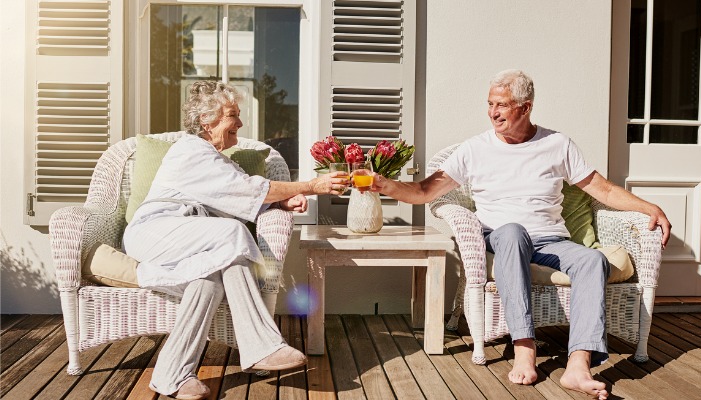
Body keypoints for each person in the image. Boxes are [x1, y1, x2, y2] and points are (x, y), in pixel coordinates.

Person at [370, 69, 671, 400]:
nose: (493, 112)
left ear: (525, 108)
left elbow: (602, 189)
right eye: (490, 103)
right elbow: (425, 190)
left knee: (592, 260)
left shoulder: (557, 144)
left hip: (551, 242)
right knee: (513, 232)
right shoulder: (475, 149)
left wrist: (649, 208)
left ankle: (578, 366)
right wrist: (385, 186)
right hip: (502, 239)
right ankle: (524, 348)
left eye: (502, 105)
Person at [123, 81, 348, 400]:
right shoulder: (192, 151)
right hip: (154, 232)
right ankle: (261, 345)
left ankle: (171, 373)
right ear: (207, 120)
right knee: (232, 233)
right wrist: (310, 186)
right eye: (233, 115)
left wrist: (282, 202)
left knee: (208, 280)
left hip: (189, 239)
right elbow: (247, 191)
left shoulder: (219, 160)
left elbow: (242, 191)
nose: (240, 124)